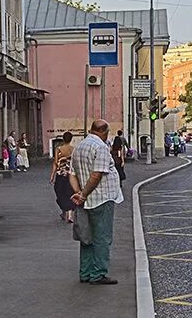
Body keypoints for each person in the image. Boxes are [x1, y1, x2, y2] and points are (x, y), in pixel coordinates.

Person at [69, 120, 123, 285]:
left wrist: (78, 193)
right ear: (105, 132)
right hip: (101, 198)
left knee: (87, 237)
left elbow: (72, 174)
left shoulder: (79, 146)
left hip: (85, 200)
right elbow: (97, 174)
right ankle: (98, 274)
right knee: (102, 237)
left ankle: (85, 273)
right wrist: (83, 194)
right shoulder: (100, 147)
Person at [51, 132, 77, 223]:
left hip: (61, 174)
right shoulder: (74, 149)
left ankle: (64, 211)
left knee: (60, 192)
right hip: (71, 174)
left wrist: (52, 176)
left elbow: (55, 163)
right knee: (70, 192)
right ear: (71, 139)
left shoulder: (58, 149)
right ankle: (70, 215)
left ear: (63, 139)